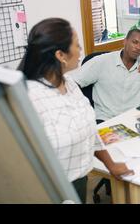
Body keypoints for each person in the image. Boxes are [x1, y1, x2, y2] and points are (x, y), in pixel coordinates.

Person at [19, 18, 133, 203]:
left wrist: (110, 165)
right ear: (60, 55)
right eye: (77, 45)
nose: (81, 51)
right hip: (49, 189)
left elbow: (88, 129)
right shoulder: (31, 97)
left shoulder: (70, 84)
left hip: (79, 181)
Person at [72, 29, 140, 123]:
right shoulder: (101, 61)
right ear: (125, 42)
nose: (138, 47)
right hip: (106, 119)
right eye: (134, 42)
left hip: (135, 117)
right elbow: (73, 83)